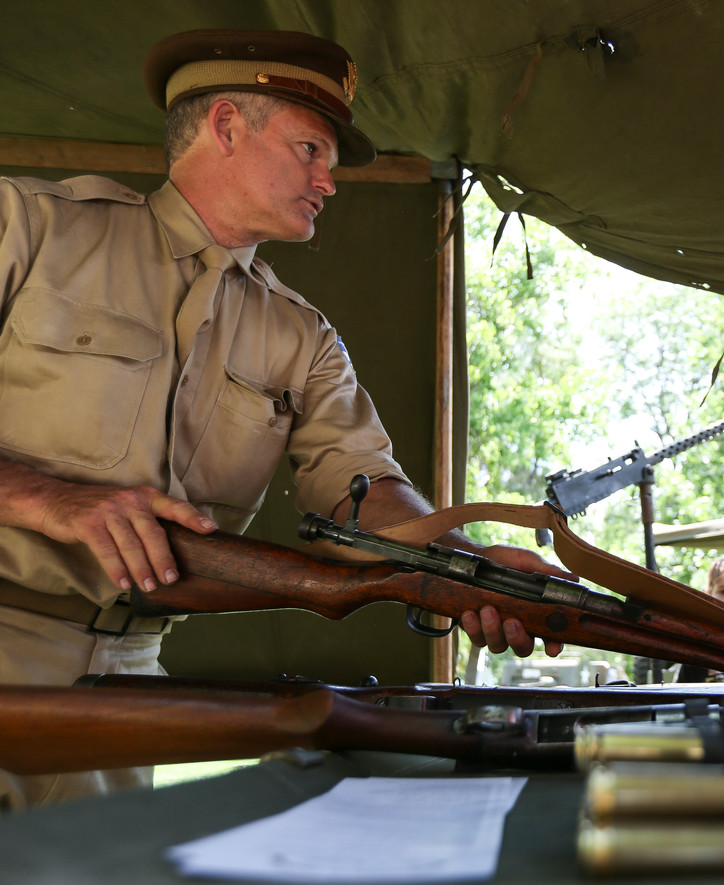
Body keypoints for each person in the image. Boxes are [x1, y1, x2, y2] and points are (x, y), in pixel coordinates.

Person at [0, 28, 555, 810]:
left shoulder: (303, 337)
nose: (329, 181)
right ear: (226, 125)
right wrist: (51, 500)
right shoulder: (32, 229)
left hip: (126, 678)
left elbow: (363, 497)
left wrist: (468, 569)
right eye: (311, 150)